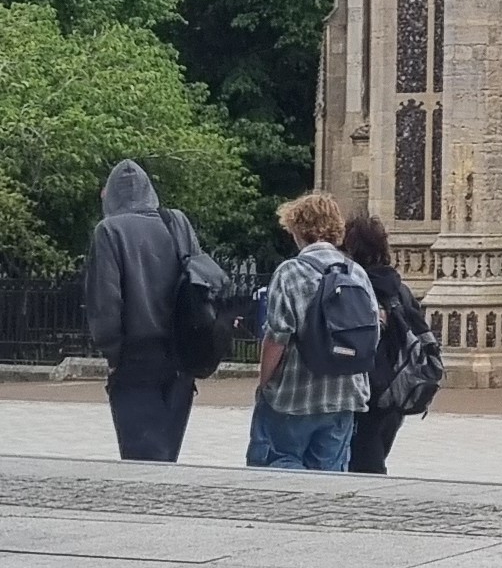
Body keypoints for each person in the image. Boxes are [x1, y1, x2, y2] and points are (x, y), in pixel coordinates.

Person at [82, 160, 221, 464]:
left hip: (135, 358)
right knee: (166, 457)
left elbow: (106, 302)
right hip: (182, 355)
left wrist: (113, 355)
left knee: (139, 460)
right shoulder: (176, 221)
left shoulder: (109, 231)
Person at [249, 193, 381, 472]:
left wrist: (264, 384)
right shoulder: (356, 273)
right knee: (328, 476)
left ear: (298, 229)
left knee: (279, 466)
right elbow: (373, 334)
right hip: (344, 395)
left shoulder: (290, 272)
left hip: (293, 396)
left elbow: (277, 337)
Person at [342, 213, 437, 475]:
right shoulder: (398, 288)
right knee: (373, 459)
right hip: (396, 389)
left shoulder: (355, 287)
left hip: (366, 390)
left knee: (364, 470)